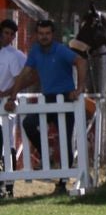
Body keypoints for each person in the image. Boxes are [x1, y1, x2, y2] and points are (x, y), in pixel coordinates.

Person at [4, 19, 88, 194]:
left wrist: (79, 88)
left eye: (47, 34)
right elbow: (23, 75)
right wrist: (12, 97)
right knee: (28, 123)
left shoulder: (61, 50)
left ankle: (62, 184)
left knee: (65, 139)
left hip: (66, 97)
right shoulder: (35, 52)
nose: (44, 37)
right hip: (48, 98)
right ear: (36, 35)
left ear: (52, 34)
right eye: (41, 34)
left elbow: (80, 61)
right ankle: (46, 155)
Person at [0, 19, 27, 197]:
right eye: (5, 33)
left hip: (5, 103)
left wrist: (9, 93)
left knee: (6, 140)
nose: (8, 37)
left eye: (12, 34)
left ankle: (8, 185)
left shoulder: (13, 55)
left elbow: (22, 77)